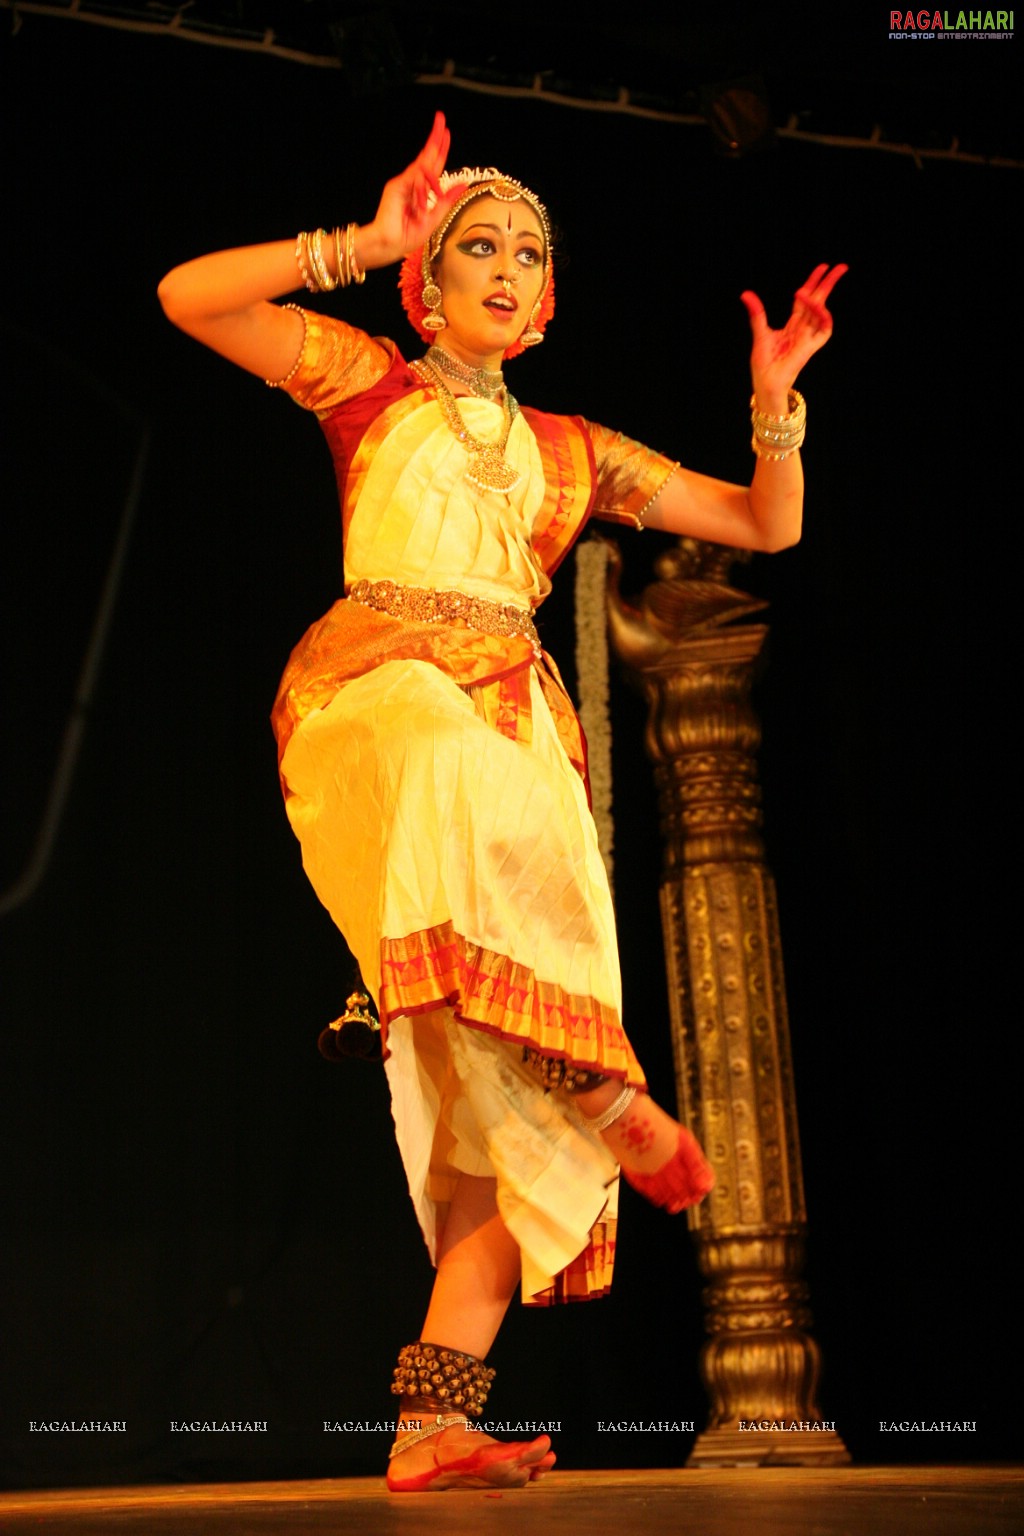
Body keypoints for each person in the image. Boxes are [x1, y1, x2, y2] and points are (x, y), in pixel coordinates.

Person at [158, 111, 844, 1492]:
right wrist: (360, 240)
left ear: (547, 298)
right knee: (449, 772)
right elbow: (187, 297)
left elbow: (769, 527)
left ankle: (432, 1423)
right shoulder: (365, 383)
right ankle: (608, 1087)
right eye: (478, 244)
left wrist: (778, 404)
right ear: (429, 279)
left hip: (516, 736)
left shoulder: (579, 454)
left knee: (484, 1139)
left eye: (531, 252)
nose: (510, 266)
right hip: (386, 703)